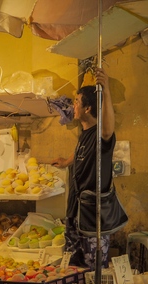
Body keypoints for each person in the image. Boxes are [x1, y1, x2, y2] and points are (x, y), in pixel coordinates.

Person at [52, 67, 115, 270]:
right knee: (73, 268)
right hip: (74, 214)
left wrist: (106, 91)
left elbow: (108, 129)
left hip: (92, 218)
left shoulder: (100, 135)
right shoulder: (84, 134)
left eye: (77, 102)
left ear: (88, 108)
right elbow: (81, 153)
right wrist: (67, 162)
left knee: (92, 271)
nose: (73, 106)